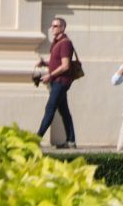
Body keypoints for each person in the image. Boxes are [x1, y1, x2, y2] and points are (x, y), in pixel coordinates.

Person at [35, 16, 78, 148]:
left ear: (62, 28)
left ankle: (36, 140)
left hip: (60, 82)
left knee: (50, 108)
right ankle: (71, 141)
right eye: (52, 26)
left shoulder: (65, 43)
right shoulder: (56, 43)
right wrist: (45, 63)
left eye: (55, 26)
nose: (52, 28)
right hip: (57, 81)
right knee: (64, 111)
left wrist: (50, 75)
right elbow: (57, 63)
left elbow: (65, 66)